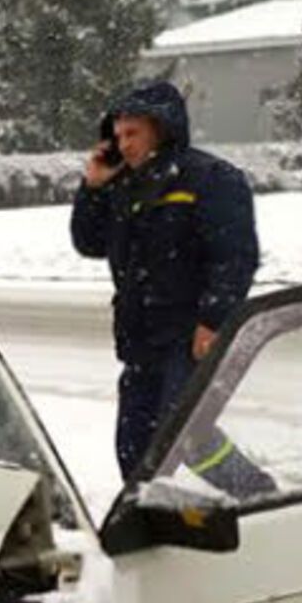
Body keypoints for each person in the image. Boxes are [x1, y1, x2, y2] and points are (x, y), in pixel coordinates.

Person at [70, 81, 262, 482]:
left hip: (188, 336)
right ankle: (149, 521)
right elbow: (88, 242)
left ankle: (259, 494)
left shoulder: (210, 178)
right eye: (117, 135)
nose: (122, 145)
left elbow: (235, 256)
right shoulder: (124, 186)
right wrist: (93, 188)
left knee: (187, 436)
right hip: (140, 340)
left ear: (162, 127)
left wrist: (213, 319)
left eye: (132, 133)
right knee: (135, 448)